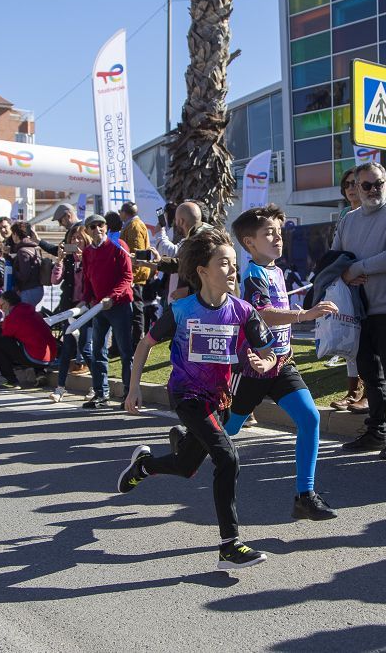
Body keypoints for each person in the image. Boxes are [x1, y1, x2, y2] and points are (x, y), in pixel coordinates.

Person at [120, 228, 276, 570]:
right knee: (227, 457)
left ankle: (144, 466)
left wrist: (262, 362)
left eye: (234, 263)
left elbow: (270, 353)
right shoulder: (181, 310)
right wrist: (134, 388)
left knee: (186, 466)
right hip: (187, 396)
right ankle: (230, 546)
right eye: (224, 263)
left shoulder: (243, 311)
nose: (233, 270)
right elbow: (145, 345)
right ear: (203, 271)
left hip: (219, 400)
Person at [223, 204, 339, 520]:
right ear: (249, 243)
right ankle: (185, 445)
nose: (277, 238)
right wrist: (305, 314)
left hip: (282, 363)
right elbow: (261, 312)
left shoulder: (275, 270)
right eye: (269, 234)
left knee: (310, 418)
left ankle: (306, 495)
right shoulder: (253, 274)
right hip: (254, 368)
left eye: (278, 232)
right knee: (227, 429)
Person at [333, 161, 386, 459]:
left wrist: (356, 268)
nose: (373, 189)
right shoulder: (348, 219)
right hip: (357, 309)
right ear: (355, 187)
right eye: (366, 185)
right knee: (369, 373)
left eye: (378, 183)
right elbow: (335, 257)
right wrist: (344, 273)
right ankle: (377, 429)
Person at [81, 213, 134, 409]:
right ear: (87, 231)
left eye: (100, 225)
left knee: (125, 351)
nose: (97, 229)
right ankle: (101, 394)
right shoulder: (87, 252)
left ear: (106, 227)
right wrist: (87, 300)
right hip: (98, 307)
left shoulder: (118, 245)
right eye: (92, 227)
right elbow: (87, 279)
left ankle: (129, 394)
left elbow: (127, 276)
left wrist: (112, 297)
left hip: (119, 305)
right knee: (98, 351)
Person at [329, 168, 368, 411]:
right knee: (349, 335)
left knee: (367, 340)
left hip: (371, 284)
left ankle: (366, 392)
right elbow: (337, 252)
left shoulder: (373, 212)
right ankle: (353, 391)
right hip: (348, 284)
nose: (352, 188)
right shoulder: (344, 214)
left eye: (356, 184)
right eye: (347, 185)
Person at [49, 224, 93, 402]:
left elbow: (93, 278)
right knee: (67, 348)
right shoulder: (67, 260)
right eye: (72, 239)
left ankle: (95, 387)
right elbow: (54, 280)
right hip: (69, 308)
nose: (75, 241)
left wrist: (84, 260)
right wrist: (59, 261)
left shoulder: (91, 257)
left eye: (79, 238)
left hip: (87, 308)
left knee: (86, 347)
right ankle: (60, 388)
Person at [0, 290, 56, 389]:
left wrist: (1, 324)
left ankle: (11, 380)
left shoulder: (13, 317)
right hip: (51, 357)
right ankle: (40, 373)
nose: (1, 308)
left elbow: (5, 335)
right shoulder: (31, 311)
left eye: (2, 305)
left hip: (35, 358)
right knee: (28, 341)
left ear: (8, 303)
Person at [119, 201, 151, 346]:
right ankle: (135, 339)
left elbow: (138, 254)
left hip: (135, 275)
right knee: (135, 308)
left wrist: (132, 275)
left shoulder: (134, 226)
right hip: (135, 274)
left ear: (124, 213)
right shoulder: (132, 225)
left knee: (137, 309)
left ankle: (137, 341)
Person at [8, 221, 44, 308]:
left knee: (25, 317)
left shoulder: (22, 251)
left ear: (15, 234)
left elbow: (24, 274)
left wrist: (13, 272)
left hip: (28, 290)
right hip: (37, 288)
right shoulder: (34, 248)